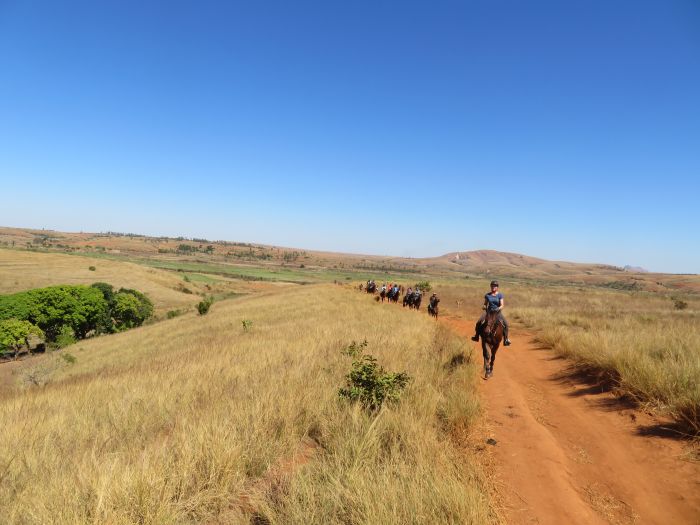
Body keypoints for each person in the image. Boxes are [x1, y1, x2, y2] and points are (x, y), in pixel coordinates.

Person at [471, 280, 511, 346]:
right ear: (490, 287)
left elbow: (502, 305)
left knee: (505, 324)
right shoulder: (488, 295)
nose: (493, 287)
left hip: (497, 313)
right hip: (488, 312)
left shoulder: (500, 295)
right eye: (492, 286)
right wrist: (484, 307)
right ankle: (476, 336)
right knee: (479, 322)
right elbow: (485, 304)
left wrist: (497, 308)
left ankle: (506, 339)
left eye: (495, 286)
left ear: (497, 287)